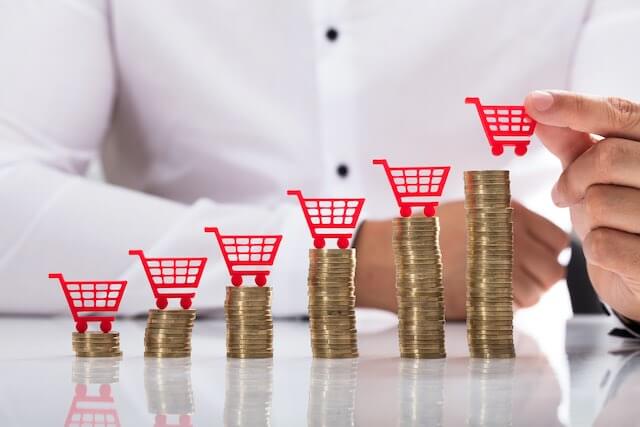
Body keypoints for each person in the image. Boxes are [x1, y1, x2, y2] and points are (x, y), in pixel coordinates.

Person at [0, 1, 637, 322]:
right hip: (173, 386)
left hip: (516, 379)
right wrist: (340, 260)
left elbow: (621, 155)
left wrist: (631, 270)